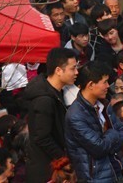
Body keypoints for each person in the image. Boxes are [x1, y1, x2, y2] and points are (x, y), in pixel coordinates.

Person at [65, 61, 123, 182]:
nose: (108, 86)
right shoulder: (75, 115)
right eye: (104, 82)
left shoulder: (104, 105)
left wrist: (108, 137)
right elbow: (99, 148)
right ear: (90, 85)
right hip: (95, 177)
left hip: (115, 169)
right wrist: (112, 133)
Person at [23, 48, 79, 183]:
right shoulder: (44, 100)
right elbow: (42, 137)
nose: (76, 72)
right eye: (73, 69)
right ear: (59, 70)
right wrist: (63, 158)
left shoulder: (55, 92)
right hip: (46, 169)